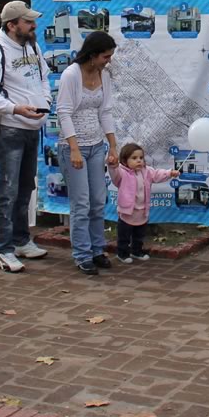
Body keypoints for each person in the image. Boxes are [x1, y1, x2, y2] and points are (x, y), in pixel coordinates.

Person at [0, 1, 52, 273]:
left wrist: (46, 100)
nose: (34, 25)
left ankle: (20, 240)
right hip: (9, 129)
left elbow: (44, 76)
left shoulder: (32, 46)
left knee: (25, 188)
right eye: (28, 21)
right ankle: (2, 249)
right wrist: (14, 109)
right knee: (5, 190)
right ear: (12, 25)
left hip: (32, 128)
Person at [55, 31, 119, 275]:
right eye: (106, 56)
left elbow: (106, 111)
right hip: (74, 148)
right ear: (92, 55)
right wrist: (73, 149)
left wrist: (112, 145)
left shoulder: (104, 75)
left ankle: (97, 249)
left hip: (96, 145)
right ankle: (82, 254)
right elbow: (63, 112)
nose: (108, 60)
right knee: (80, 203)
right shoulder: (71, 74)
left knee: (97, 202)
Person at [110, 143, 177, 264]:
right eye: (134, 158)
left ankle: (136, 251)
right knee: (124, 236)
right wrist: (113, 166)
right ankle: (122, 253)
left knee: (139, 235)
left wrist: (169, 173)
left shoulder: (147, 171)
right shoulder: (122, 173)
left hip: (142, 210)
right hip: (127, 211)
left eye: (141, 158)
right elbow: (114, 174)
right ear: (125, 161)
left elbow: (157, 174)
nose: (139, 161)